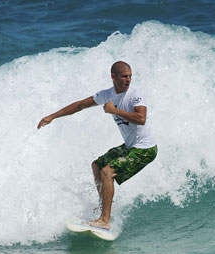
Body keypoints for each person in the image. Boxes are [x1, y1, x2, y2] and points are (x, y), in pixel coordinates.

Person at [37, 61, 157, 230]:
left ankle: (104, 220)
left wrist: (114, 110)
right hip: (131, 146)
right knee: (97, 165)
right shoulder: (107, 95)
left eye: (130, 76)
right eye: (124, 76)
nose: (128, 80)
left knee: (107, 172)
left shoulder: (136, 95)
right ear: (113, 77)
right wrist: (52, 116)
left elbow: (141, 118)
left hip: (145, 149)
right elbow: (80, 105)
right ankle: (104, 209)